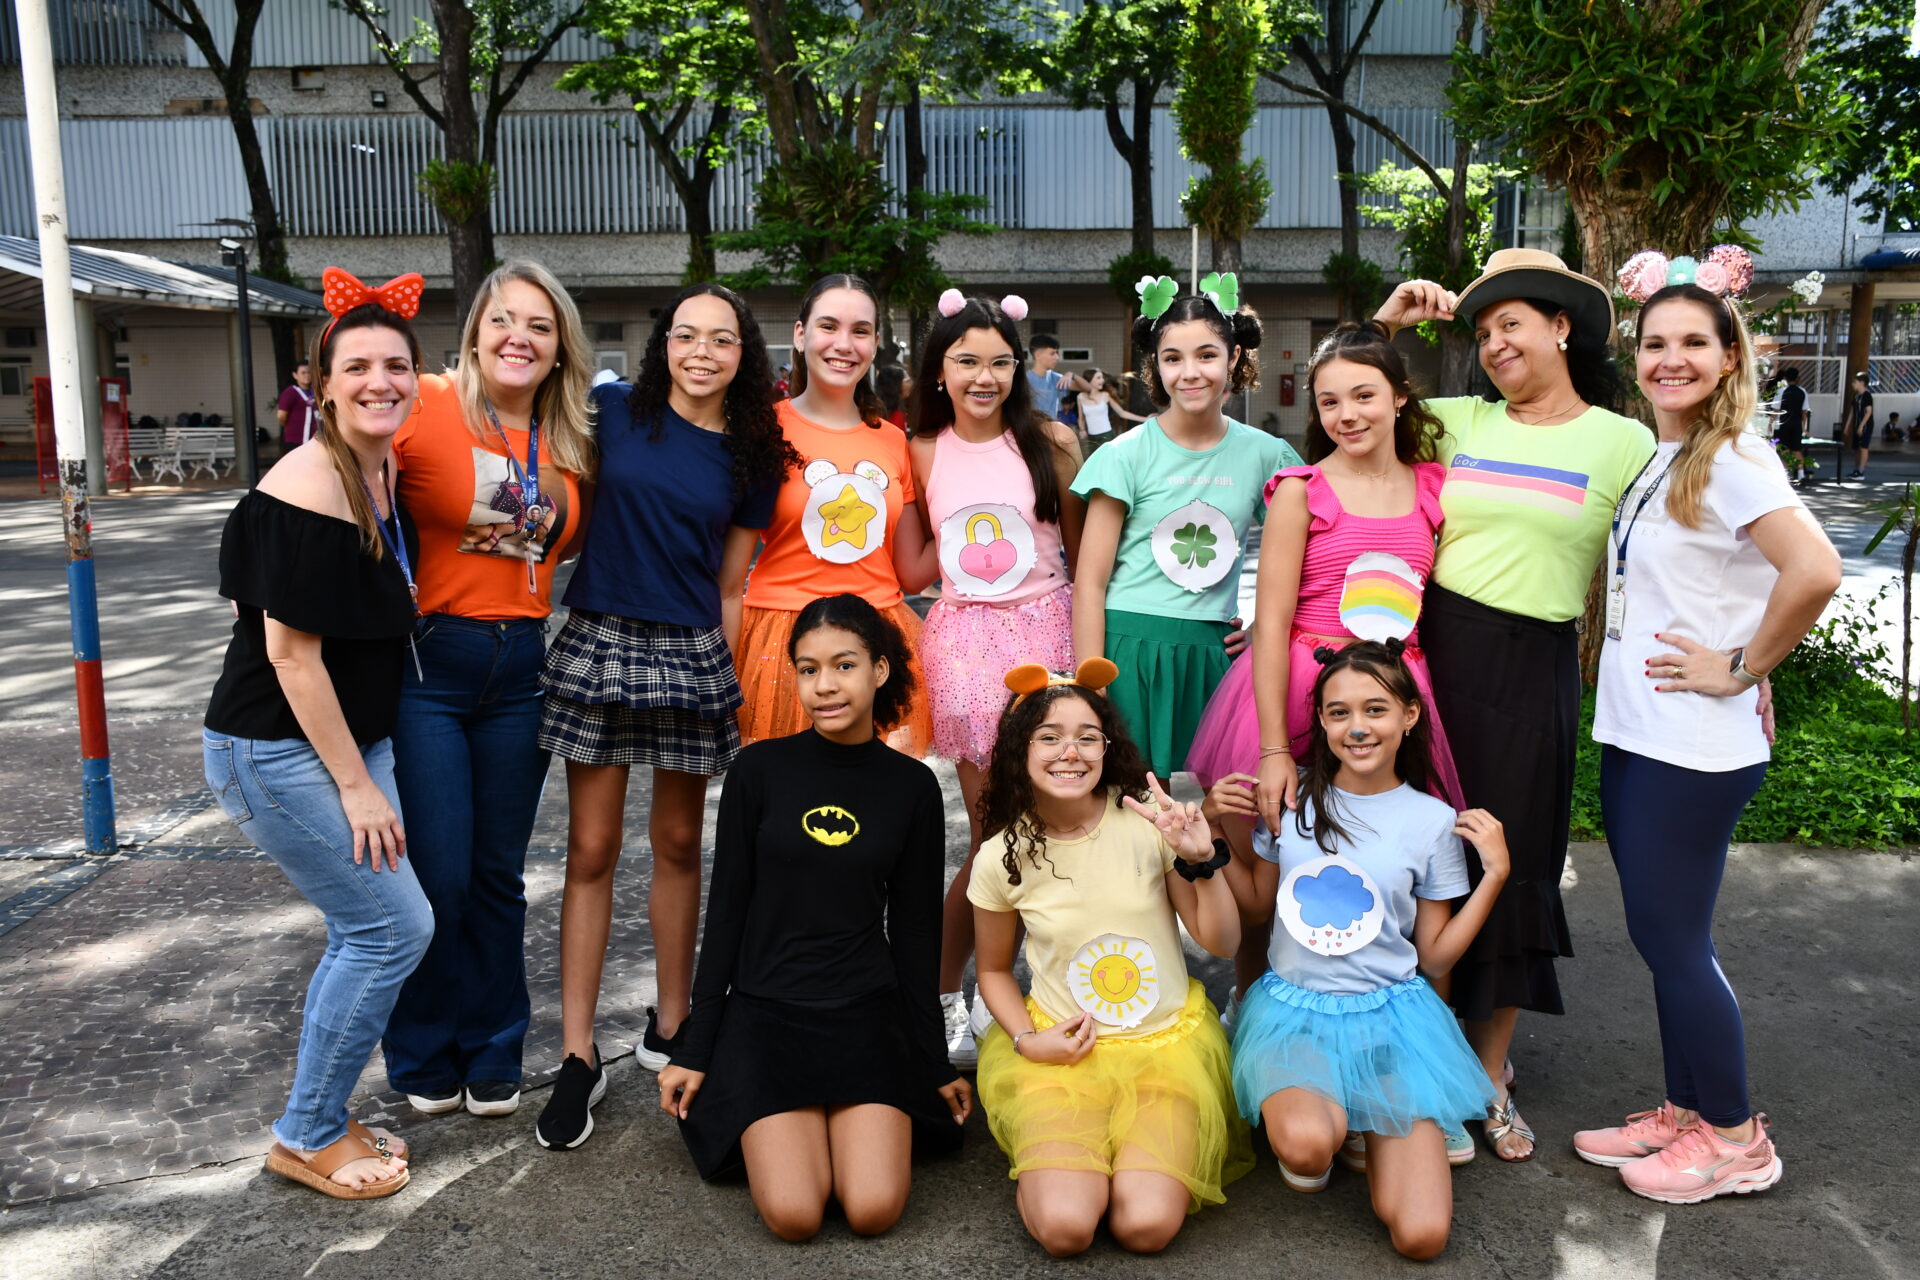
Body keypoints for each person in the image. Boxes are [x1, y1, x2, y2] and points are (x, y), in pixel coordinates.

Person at [1374, 248, 1654, 1162]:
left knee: (1512, 857)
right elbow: (1351, 422)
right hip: (1434, 658)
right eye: (1484, 330)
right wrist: (1386, 326)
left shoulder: (1623, 442)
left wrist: (1748, 665)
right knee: (1422, 852)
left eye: (1512, 325)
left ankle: (1491, 1073)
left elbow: (1681, 553)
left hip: (1535, 669)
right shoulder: (1459, 421)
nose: (1494, 344)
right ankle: (1421, 1057)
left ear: (1561, 328)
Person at [1575, 259, 1840, 1204]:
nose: (1671, 359)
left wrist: (1744, 667)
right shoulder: (1670, 453)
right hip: (1641, 733)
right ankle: (1686, 1109)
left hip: (1690, 746)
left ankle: (1733, 1137)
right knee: (1663, 938)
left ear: (1731, 357)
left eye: (1694, 342)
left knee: (1676, 942)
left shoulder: (1734, 459)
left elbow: (1814, 569)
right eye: (1655, 343)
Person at [533, 283, 795, 1150]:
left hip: (690, 649)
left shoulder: (755, 452)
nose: (701, 353)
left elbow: (732, 583)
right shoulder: (613, 412)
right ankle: (578, 1054)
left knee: (681, 843)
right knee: (591, 849)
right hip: (602, 636)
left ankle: (674, 1020)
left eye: (721, 339)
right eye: (686, 336)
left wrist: (727, 678)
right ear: (664, 346)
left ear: (743, 354)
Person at [201, 270, 431, 1200]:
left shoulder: (377, 467)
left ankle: (322, 1113)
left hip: (347, 743)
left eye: (397, 366)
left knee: (365, 927)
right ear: (322, 385)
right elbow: (292, 659)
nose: (381, 381)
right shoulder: (310, 481)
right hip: (279, 751)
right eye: (358, 367)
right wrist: (357, 785)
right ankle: (305, 1135)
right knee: (390, 928)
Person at [658, 595, 971, 1241]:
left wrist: (932, 1059)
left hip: (866, 1016)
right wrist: (695, 1046)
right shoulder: (758, 771)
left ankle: (850, 1120)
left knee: (873, 1209)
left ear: (879, 670)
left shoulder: (912, 787)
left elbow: (915, 933)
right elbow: (727, 913)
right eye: (808, 669)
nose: (824, 685)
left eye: (843, 665)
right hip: (767, 1017)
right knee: (795, 1216)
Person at [1186, 321, 1464, 1034]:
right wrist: (1274, 749)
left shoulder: (1433, 487)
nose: (1348, 414)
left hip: (1394, 692)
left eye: (1364, 395)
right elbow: (1271, 621)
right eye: (1330, 401)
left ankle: (1403, 1014)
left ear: (1400, 397)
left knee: (1390, 852)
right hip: (1298, 686)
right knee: (1270, 850)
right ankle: (1255, 1004)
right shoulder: (1300, 491)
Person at [378, 261, 593, 1126]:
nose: (519, 337)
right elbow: (340, 481)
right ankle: (424, 1050)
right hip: (429, 664)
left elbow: (559, 545)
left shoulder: (571, 436)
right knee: (439, 873)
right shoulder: (423, 404)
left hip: (522, 669)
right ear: (473, 332)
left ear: (559, 348)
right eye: (503, 319)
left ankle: (496, 1047)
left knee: (498, 874)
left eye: (540, 325)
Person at [1219, 642, 1507, 1260]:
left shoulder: (1432, 820)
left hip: (1392, 1019)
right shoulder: (1293, 800)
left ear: (1409, 714)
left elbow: (1435, 958)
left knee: (1422, 1237)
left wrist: (1495, 876)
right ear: (1322, 722)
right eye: (1338, 712)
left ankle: (1358, 1114)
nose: (1357, 727)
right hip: (1297, 1014)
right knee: (1305, 1147)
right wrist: (1216, 834)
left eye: (1375, 709)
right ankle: (1332, 1124)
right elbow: (1256, 908)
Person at [968, 660, 1253, 1257]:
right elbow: (992, 971)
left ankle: (1115, 1170)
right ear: (1021, 749)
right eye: (1049, 736)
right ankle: (1069, 1177)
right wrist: (1025, 1041)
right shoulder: (1001, 855)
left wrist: (1201, 861)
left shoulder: (1146, 823)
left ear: (1107, 747)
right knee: (1066, 1229)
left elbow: (1222, 942)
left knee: (1144, 1226)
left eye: (1086, 737)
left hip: (1164, 1051)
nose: (1069, 752)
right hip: (1064, 1055)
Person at [906, 290, 1085, 1069]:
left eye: (1000, 362)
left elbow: (1085, 554)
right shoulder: (918, 450)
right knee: (994, 836)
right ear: (939, 371)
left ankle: (1053, 988)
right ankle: (953, 994)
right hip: (967, 646)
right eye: (967, 361)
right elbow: (915, 563)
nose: (985, 376)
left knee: (1063, 827)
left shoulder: (1052, 441)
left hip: (1049, 636)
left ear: (1018, 368)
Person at [1071, 275, 1303, 780]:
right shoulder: (1124, 455)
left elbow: (1306, 558)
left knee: (1229, 803)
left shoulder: (1268, 455)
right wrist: (1092, 687)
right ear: (1156, 365)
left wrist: (1263, 630)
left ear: (1234, 358)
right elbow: (1089, 582)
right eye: (1173, 358)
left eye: (1206, 355)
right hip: (1127, 653)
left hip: (1215, 653)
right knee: (1135, 802)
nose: (1190, 372)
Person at [732, 274, 937, 754]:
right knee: (786, 791)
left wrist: (969, 511)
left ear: (876, 343)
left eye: (860, 331)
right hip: (782, 640)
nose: (844, 344)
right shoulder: (763, 430)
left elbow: (910, 572)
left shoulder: (893, 440)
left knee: (873, 790)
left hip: (875, 639)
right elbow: (727, 571)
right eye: (829, 326)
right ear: (800, 334)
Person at [1076, 367, 1147, 455]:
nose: (1102, 380)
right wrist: (1082, 430)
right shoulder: (1081, 397)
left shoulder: (1105, 395)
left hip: (1107, 435)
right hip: (1091, 438)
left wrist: (1145, 419)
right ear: (1089, 380)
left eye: (1102, 378)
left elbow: (1122, 413)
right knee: (1095, 462)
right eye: (1098, 378)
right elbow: (1081, 418)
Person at [1025, 333, 1089, 421]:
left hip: (1052, 426)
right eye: (1052, 354)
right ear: (1038, 355)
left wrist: (1072, 375)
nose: (1057, 357)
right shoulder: (1024, 380)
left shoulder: (1057, 378)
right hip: (1030, 427)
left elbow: (1089, 388)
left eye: (1057, 353)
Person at [1775, 366, 1808, 485]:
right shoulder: (1802, 391)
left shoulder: (1781, 391)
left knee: (1785, 450)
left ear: (1785, 378)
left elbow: (1776, 410)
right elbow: (1804, 412)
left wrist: (1770, 424)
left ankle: (1786, 475)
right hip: (1797, 424)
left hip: (1783, 424)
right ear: (1797, 377)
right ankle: (1801, 475)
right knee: (1797, 450)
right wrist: (1804, 428)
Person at [276, 358, 316, 450]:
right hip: (296, 440)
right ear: (295, 375)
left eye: (309, 372)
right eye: (303, 373)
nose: (307, 375)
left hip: (312, 439)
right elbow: (281, 416)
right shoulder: (290, 392)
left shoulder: (314, 392)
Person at [1841, 372, 1875, 479]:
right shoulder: (1856, 396)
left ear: (1862, 383)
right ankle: (1856, 469)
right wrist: (1847, 426)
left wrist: (1861, 426)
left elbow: (1868, 412)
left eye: (1855, 382)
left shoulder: (1867, 396)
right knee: (1857, 448)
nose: (1853, 384)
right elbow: (1852, 411)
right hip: (1856, 425)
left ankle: (1861, 471)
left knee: (1863, 447)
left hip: (1865, 426)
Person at [877, 363, 912, 429]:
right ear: (895, 385)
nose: (910, 383)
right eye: (907, 380)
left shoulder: (881, 410)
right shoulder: (896, 416)